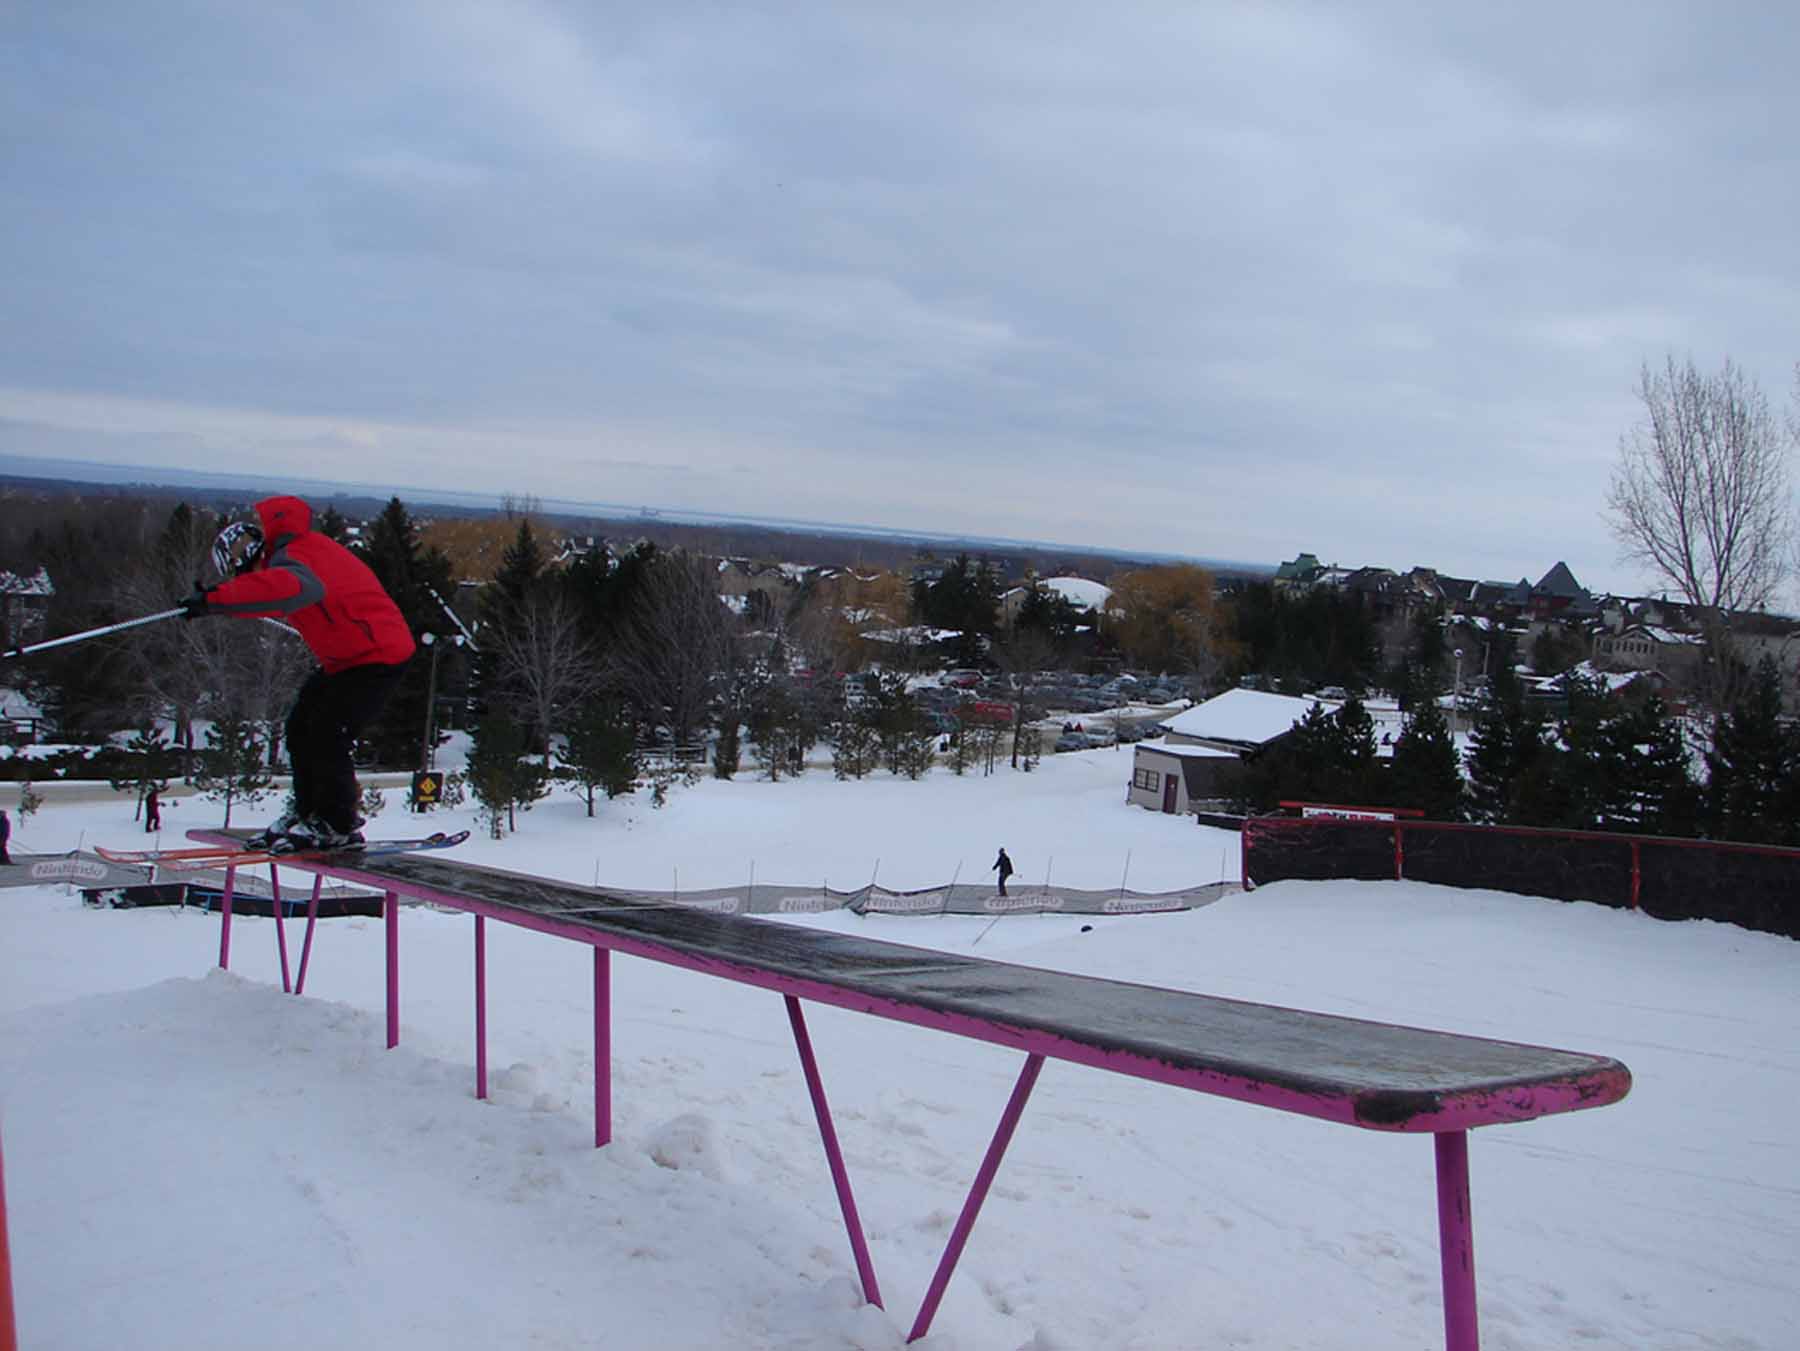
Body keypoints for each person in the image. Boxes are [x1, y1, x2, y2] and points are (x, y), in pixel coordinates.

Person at [183, 495, 415, 850]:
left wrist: (215, 599)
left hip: (377, 656)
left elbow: (288, 588)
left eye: (237, 572)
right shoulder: (294, 554)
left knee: (326, 731)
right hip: (350, 659)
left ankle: (338, 822)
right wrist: (214, 606)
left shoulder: (293, 559)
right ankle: (309, 813)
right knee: (301, 726)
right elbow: (270, 598)